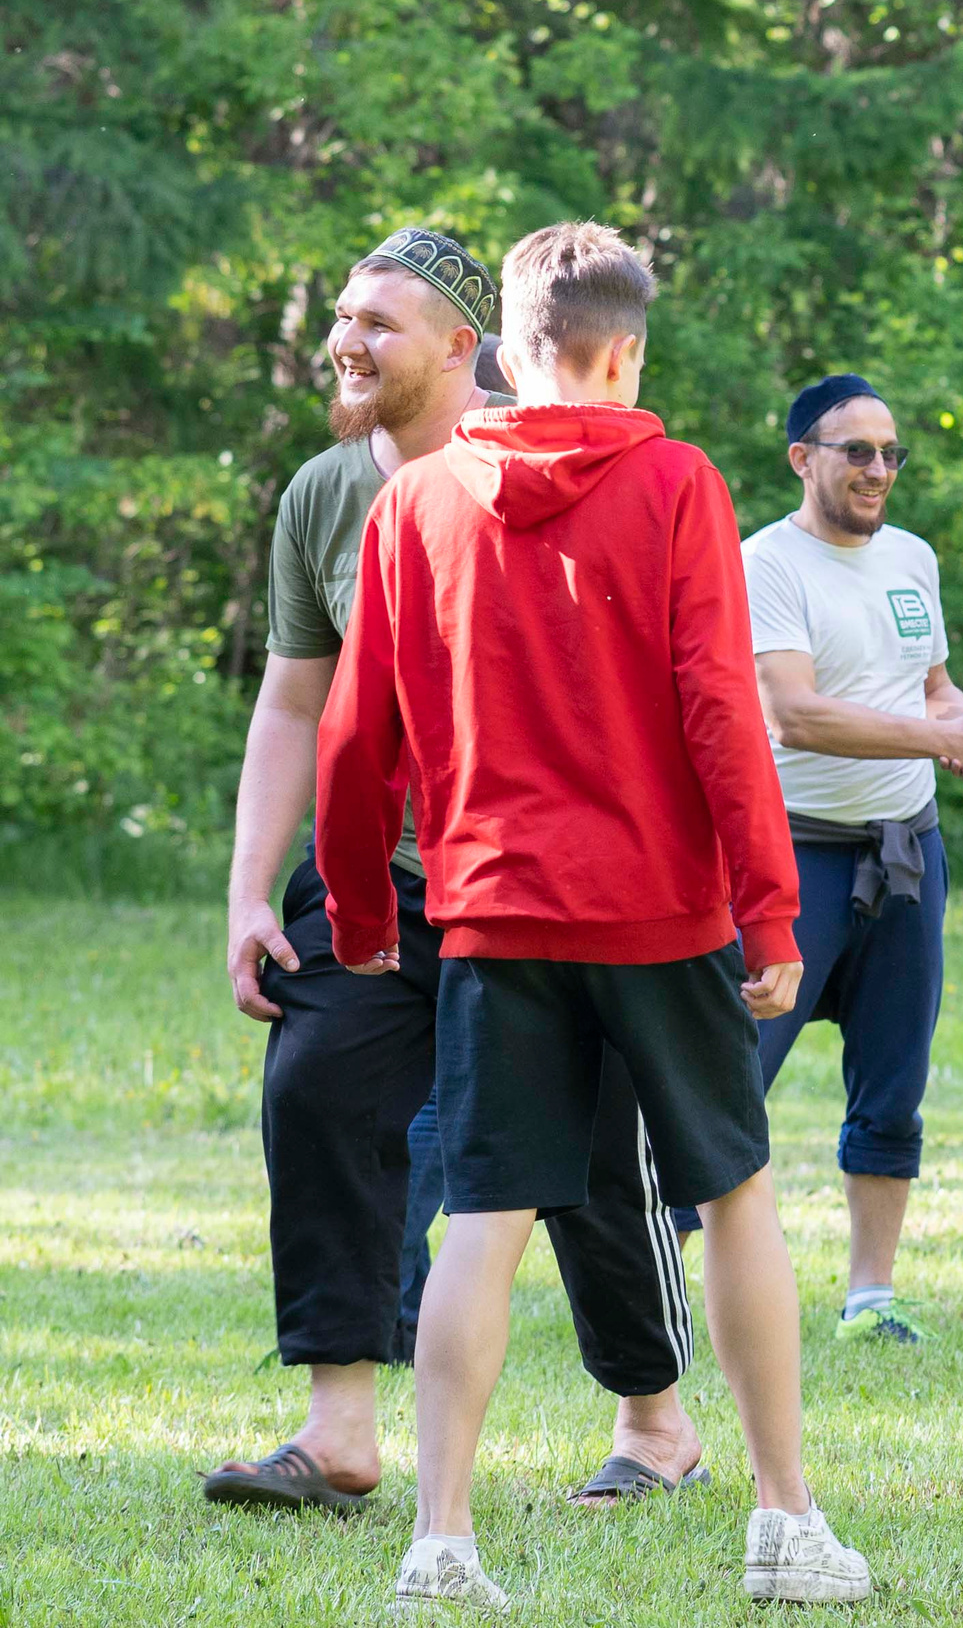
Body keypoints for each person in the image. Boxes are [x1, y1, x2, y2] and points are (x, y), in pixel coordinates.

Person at [314, 221, 869, 1605]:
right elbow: (717, 711)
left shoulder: (417, 501)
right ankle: (786, 1523)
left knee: (486, 1215)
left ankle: (441, 1539)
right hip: (661, 915)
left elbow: (352, 731)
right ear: (626, 352)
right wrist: (775, 909)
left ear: (500, 349)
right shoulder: (676, 480)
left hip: (491, 913)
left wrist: (352, 906)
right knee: (735, 1191)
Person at [209, 228, 706, 1518]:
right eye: (341, 313)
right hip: (376, 877)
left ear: (459, 345)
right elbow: (292, 703)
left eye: (379, 319)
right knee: (320, 1089)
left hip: (545, 885)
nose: (346, 340)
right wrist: (253, 887)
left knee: (593, 1161)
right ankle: (338, 1427)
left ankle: (654, 1418)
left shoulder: (547, 465)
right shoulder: (325, 492)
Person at [663, 371, 963, 1346]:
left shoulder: (912, 558)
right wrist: (948, 741)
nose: (878, 469)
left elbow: (932, 687)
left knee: (892, 1080)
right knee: (734, 1078)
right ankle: (666, 1277)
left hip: (906, 854)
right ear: (802, 458)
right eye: (856, 450)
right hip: (793, 857)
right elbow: (800, 712)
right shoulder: (765, 564)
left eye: (891, 452)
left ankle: (872, 1295)